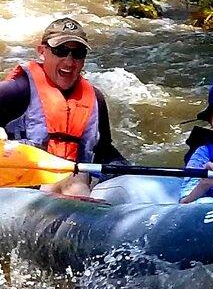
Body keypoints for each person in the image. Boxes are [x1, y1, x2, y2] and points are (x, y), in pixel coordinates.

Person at [0, 17, 127, 196]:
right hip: (21, 194)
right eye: (60, 51)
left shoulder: (95, 99)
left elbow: (103, 152)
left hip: (72, 195)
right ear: (42, 51)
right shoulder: (17, 90)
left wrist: (126, 173)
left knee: (76, 181)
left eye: (78, 53)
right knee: (71, 183)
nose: (69, 62)